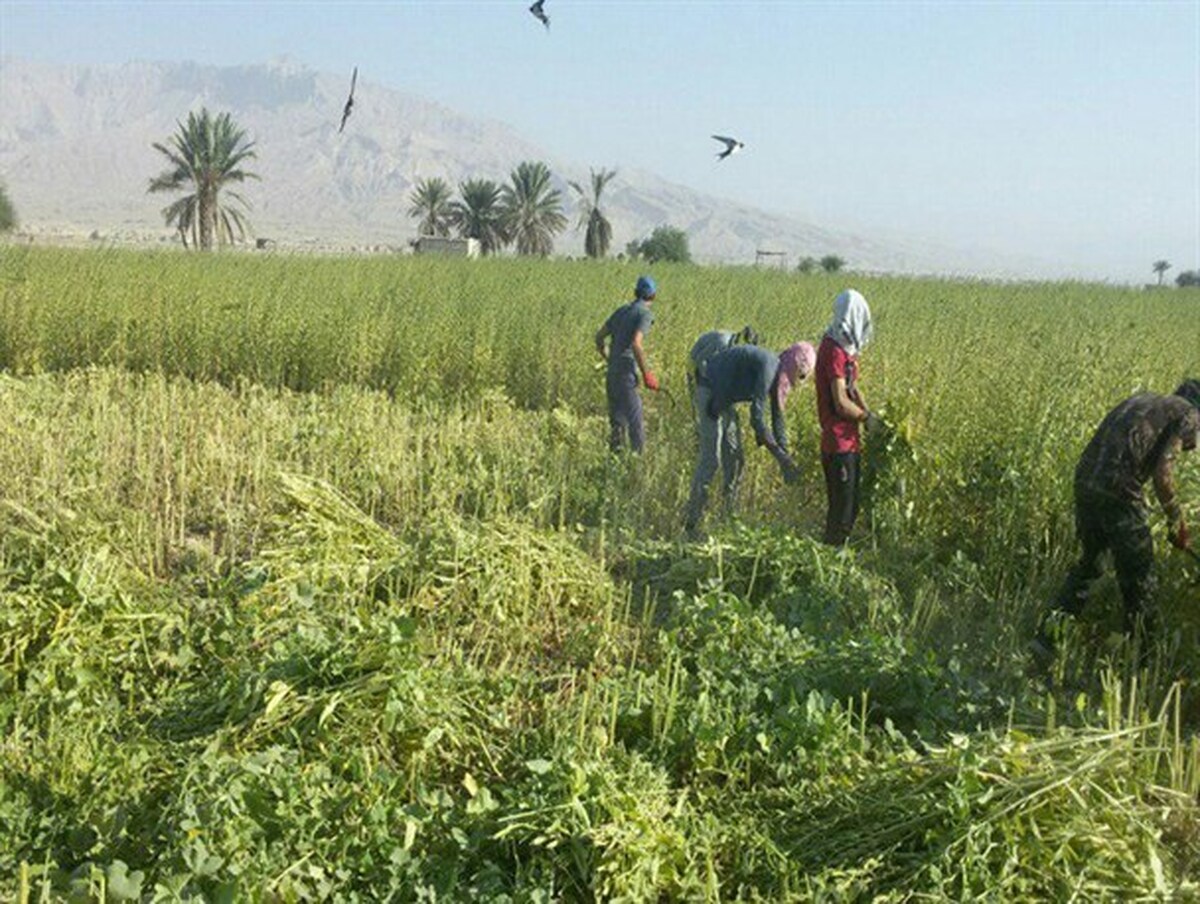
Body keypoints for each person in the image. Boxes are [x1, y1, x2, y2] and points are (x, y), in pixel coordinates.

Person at [1034, 378, 1200, 659]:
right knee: (1141, 579)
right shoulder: (1189, 413)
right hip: (1120, 491)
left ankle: (1043, 645)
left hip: (1085, 481)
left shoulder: (1144, 399)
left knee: (1091, 565)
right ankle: (1145, 662)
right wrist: (1176, 520)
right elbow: (1163, 473)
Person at [683, 341, 815, 538]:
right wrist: (780, 457)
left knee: (736, 460)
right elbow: (757, 419)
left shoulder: (777, 373)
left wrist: (787, 457)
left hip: (723, 397)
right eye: (801, 375)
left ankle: (728, 519)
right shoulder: (769, 368)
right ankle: (691, 523)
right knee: (711, 460)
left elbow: (778, 419)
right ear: (795, 366)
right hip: (709, 388)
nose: (801, 379)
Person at [814, 289, 878, 546]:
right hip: (837, 442)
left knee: (850, 508)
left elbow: (852, 389)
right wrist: (866, 418)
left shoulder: (845, 350)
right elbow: (840, 403)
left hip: (849, 442)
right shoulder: (832, 350)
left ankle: (833, 561)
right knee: (841, 515)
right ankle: (831, 566)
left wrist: (869, 413)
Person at [595, 275, 660, 452]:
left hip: (612, 374)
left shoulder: (622, 311)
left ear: (635, 292)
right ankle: (638, 467)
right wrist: (647, 374)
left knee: (617, 422)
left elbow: (599, 337)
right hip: (626, 375)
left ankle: (614, 463)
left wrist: (608, 358)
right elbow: (636, 344)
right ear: (653, 296)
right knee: (635, 421)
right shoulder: (645, 314)